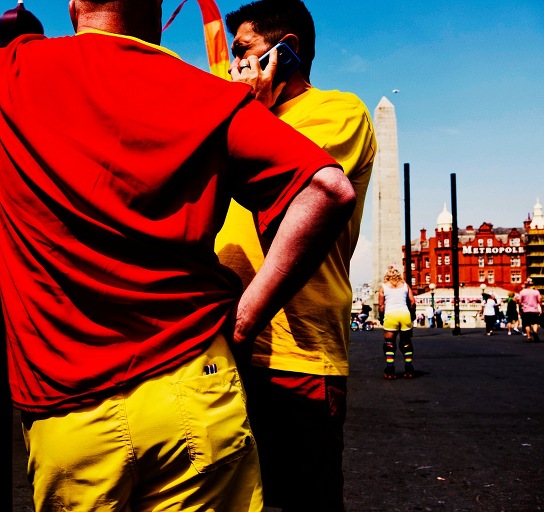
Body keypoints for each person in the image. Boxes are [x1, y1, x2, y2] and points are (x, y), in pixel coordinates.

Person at [0, 1, 357, 510]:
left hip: (68, 408)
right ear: (157, 7)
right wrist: (247, 318)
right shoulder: (214, 97)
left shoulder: (14, 67)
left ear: (76, 6)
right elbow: (327, 190)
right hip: (195, 386)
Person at [213, 1, 376, 510]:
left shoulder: (339, 111)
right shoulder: (243, 118)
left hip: (297, 352)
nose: (233, 65)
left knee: (303, 498)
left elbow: (281, 189)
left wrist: (240, 109)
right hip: (218, 349)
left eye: (243, 51)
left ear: (288, 51)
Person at [378, 266, 416, 380]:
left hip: (391, 315)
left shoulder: (383, 287)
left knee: (389, 343)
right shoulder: (405, 286)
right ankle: (408, 367)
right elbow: (413, 302)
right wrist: (412, 314)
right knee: (406, 342)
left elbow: (381, 305)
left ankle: (390, 369)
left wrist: (381, 317)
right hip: (404, 315)